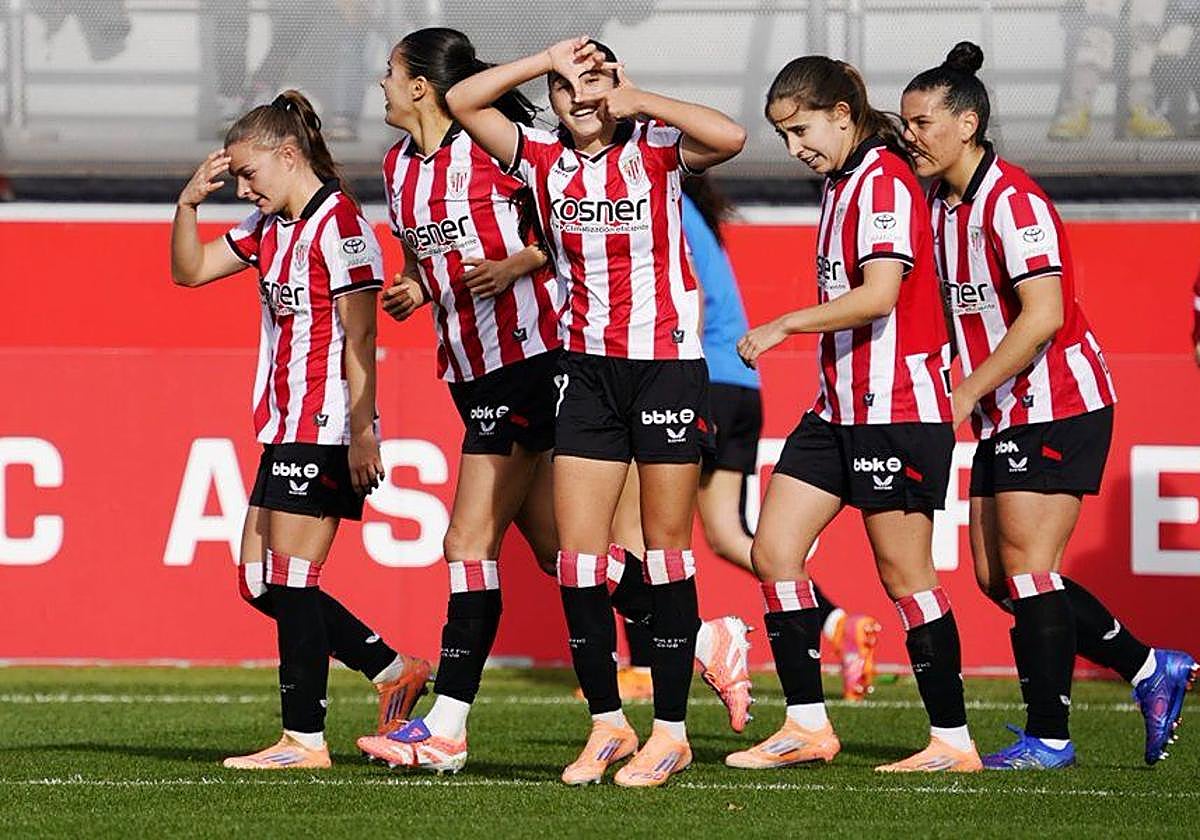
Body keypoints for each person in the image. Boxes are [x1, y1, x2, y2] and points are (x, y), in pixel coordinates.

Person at [447, 37, 746, 787]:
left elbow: (732, 137)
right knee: (578, 561)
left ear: (621, 87)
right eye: (565, 88)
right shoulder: (541, 157)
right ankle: (608, 725)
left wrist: (638, 98)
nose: (580, 98)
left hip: (667, 370)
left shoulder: (657, 148)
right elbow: (462, 101)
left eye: (596, 83)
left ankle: (670, 733)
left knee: (668, 550)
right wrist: (546, 56)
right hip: (585, 374)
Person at [901, 41, 1197, 769]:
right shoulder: (939, 205)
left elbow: (1042, 315)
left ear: (968, 124)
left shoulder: (1013, 201)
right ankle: (1149, 668)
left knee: (1031, 569)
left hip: (1058, 399)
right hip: (1002, 409)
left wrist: (963, 391)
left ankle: (1051, 738)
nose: (912, 135)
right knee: (997, 580)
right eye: (905, 122)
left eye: (923, 122)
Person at [729, 55, 981, 774]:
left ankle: (953, 742)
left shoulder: (882, 184)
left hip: (897, 408)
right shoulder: (846, 179)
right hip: (840, 407)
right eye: (782, 135)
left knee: (906, 577)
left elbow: (878, 296)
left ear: (843, 114)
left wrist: (783, 325)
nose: (794, 148)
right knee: (774, 551)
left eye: (801, 129)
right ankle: (807, 725)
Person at [170, 90, 429, 769]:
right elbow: (190, 271)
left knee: (291, 580)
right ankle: (392, 667)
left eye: (251, 174)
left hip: (327, 425)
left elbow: (361, 334)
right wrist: (187, 204)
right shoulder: (269, 229)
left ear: (289, 156)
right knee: (259, 583)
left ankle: (304, 739)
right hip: (283, 425)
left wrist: (364, 431)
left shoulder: (340, 226)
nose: (246, 189)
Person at [613, 174, 884, 703]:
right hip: (738, 384)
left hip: (696, 378)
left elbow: (689, 298)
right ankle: (835, 625)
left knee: (632, 525)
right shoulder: (687, 206)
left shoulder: (657, 200)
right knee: (726, 534)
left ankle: (646, 664)